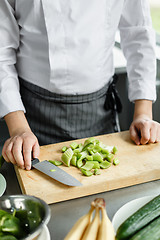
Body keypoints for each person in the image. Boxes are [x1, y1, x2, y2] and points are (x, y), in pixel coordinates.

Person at [1, 0, 160, 171]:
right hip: (29, 114)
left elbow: (139, 34)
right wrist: (18, 128)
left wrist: (143, 113)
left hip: (99, 112)